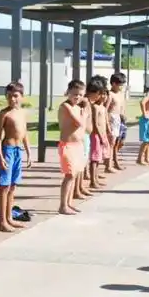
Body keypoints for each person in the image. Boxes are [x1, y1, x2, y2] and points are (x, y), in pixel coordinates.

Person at [0, 82, 32, 233]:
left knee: (13, 186)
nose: (12, 99)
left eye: (15, 96)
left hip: (18, 150)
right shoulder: (4, 113)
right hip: (7, 149)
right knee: (4, 186)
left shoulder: (22, 113)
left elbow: (24, 134)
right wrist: (0, 156)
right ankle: (2, 221)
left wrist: (29, 153)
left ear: (22, 97)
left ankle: (9, 217)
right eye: (9, 96)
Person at [57, 79, 87, 215]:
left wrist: (84, 110)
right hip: (67, 145)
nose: (77, 97)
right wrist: (85, 112)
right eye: (75, 94)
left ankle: (69, 203)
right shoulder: (66, 107)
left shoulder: (78, 107)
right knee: (69, 175)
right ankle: (63, 205)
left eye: (80, 95)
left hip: (78, 145)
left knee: (74, 175)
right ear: (68, 93)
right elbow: (79, 122)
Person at [86, 79, 110, 189]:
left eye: (105, 94)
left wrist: (106, 134)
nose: (104, 97)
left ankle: (95, 178)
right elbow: (95, 123)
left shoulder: (103, 108)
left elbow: (104, 122)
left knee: (98, 158)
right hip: (96, 135)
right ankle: (92, 180)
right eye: (102, 94)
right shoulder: (94, 107)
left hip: (102, 135)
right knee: (94, 159)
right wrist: (100, 136)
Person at [107, 72, 128, 171]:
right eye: (120, 85)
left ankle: (113, 161)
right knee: (112, 142)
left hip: (120, 119)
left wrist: (124, 115)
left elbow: (122, 106)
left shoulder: (121, 94)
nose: (122, 87)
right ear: (114, 84)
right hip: (112, 118)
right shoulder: (110, 94)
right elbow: (105, 109)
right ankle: (110, 164)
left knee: (120, 142)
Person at [75, 97, 95, 199]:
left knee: (83, 165)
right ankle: (76, 190)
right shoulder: (81, 106)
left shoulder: (87, 106)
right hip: (82, 137)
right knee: (79, 166)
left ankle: (80, 187)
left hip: (86, 136)